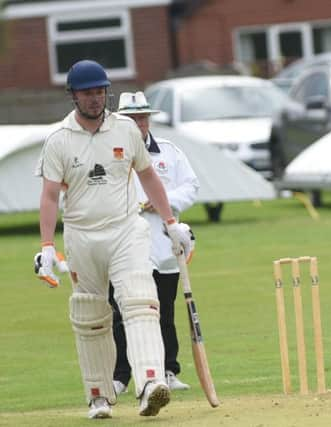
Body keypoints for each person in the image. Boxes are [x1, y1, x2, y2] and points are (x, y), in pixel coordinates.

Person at [34, 60, 194, 419]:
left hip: (125, 229)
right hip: (81, 235)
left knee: (140, 300)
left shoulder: (125, 129)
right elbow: (49, 196)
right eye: (88, 93)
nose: (96, 99)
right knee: (91, 313)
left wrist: (171, 222)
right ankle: (100, 396)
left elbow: (149, 176)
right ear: (73, 95)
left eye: (101, 91)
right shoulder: (59, 139)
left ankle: (151, 382)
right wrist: (47, 246)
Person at [109, 91, 199, 395]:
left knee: (165, 313)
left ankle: (168, 370)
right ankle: (121, 376)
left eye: (143, 117)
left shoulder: (170, 152)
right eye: (132, 118)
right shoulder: (109, 152)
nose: (139, 123)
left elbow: (191, 186)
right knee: (122, 312)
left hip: (163, 247)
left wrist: (162, 202)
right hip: (123, 247)